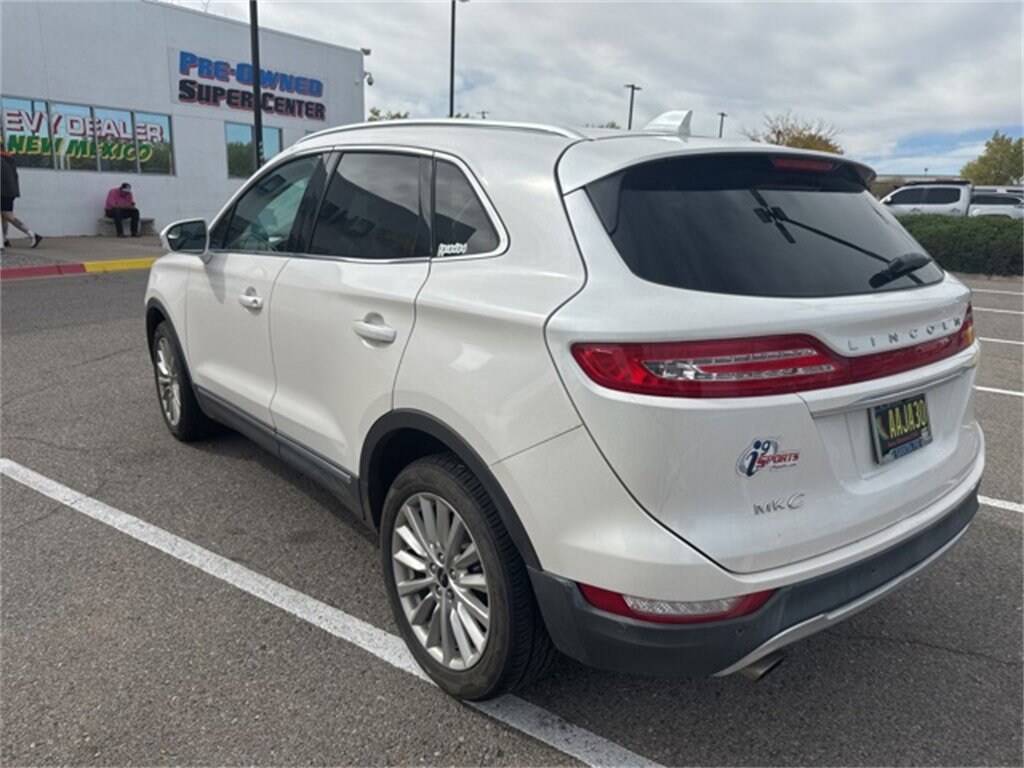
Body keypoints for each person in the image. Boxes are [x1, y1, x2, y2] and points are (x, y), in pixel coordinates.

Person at [1, 147, 42, 249]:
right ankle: (4, 239)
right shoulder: (8, 158)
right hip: (10, 190)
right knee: (4, 216)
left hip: (3, 190)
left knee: (7, 215)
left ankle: (32, 234)